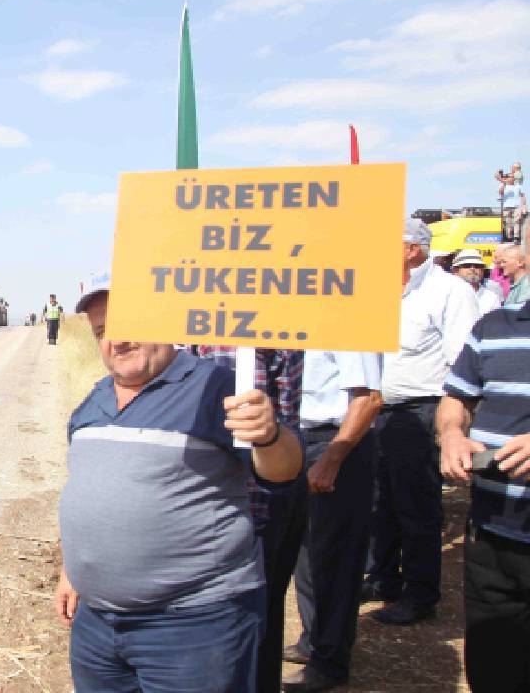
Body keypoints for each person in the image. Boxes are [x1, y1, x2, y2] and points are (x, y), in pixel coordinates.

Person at [56, 272, 303, 693]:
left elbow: (283, 473)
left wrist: (270, 435)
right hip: (97, 627)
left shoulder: (214, 386)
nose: (117, 342)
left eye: (129, 326)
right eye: (102, 332)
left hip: (193, 624)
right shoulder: (93, 401)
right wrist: (72, 568)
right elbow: (90, 494)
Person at [364, 218, 479, 625]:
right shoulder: (380, 288)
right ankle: (383, 577)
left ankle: (420, 593)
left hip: (422, 410)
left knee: (416, 506)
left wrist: (452, 425)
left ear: (412, 249)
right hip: (379, 410)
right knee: (381, 502)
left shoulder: (451, 292)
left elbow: (462, 363)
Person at [189, 345, 303, 693]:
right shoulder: (162, 328)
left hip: (252, 510)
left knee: (253, 631)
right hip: (182, 515)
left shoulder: (270, 333)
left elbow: (285, 422)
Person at [438, 291, 530, 692]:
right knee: (494, 670)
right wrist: (451, 434)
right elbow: (456, 398)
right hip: (492, 532)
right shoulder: (493, 327)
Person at [281, 350, 382, 691]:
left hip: (336, 441)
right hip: (296, 437)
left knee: (335, 558)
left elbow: (368, 399)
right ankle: (315, 640)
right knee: (305, 554)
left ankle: (331, 662)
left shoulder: (349, 322)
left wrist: (332, 458)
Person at [451, 248, 503, 315]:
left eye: (477, 266)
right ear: (456, 271)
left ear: (482, 270)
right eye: (467, 266)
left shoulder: (491, 297)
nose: (472, 269)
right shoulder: (448, 295)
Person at [497, 240, 528, 306]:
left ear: (520, 262)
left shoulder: (526, 285)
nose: (501, 265)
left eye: (504, 262)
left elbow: (521, 312)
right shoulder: (516, 285)